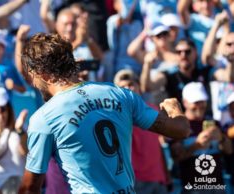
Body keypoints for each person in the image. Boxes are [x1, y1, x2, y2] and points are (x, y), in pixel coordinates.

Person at [18, 33, 190, 194]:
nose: (34, 83)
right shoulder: (120, 94)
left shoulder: (44, 118)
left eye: (33, 77)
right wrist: (174, 107)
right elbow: (181, 129)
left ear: (44, 75)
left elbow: (29, 188)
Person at [170, 82, 232, 194]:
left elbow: (229, 150)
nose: (199, 105)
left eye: (202, 101)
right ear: (185, 103)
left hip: (217, 188)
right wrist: (197, 145)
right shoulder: (178, 126)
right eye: (195, 102)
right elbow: (176, 157)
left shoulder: (214, 123)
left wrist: (222, 138)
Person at [113, 69, 169, 194]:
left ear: (140, 87)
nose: (128, 88)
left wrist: (166, 175)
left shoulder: (153, 109)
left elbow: (159, 145)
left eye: (131, 84)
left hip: (158, 179)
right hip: (134, 182)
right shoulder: (115, 116)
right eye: (123, 87)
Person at [0, 87, 27, 194]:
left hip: (19, 184)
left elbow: (26, 151)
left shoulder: (20, 128)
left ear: (8, 109)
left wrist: (20, 130)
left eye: (2, 109)